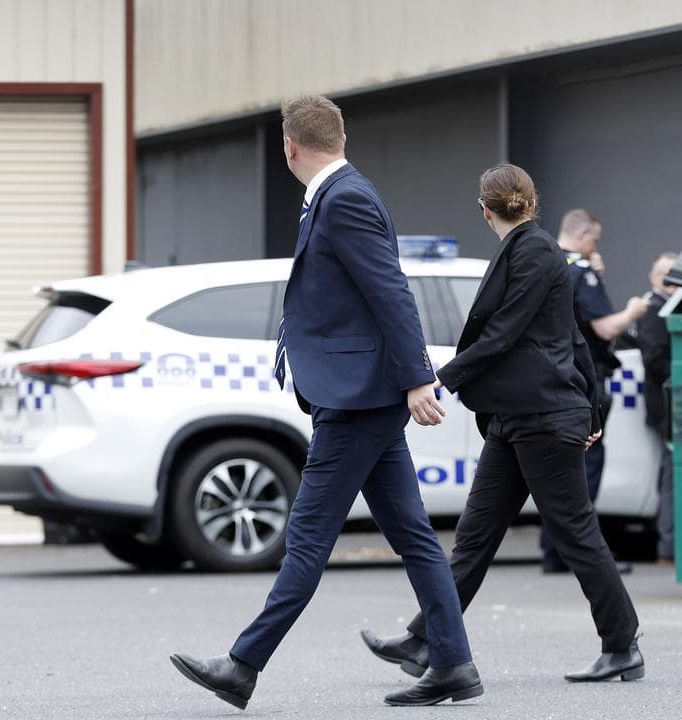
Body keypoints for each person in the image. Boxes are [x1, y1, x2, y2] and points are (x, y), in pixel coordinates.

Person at [169, 95, 482, 710]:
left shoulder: (347, 199)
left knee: (308, 536)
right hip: (361, 395)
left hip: (359, 401)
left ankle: (242, 665)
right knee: (416, 537)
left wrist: (418, 378)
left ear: (290, 147)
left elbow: (390, 290)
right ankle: (453, 664)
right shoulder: (340, 195)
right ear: (340, 137)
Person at [360, 164, 644, 684]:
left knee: (575, 534)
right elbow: (572, 338)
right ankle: (426, 638)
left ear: (483, 209)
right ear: (532, 201)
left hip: (543, 417)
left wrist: (431, 380)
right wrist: (593, 403)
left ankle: (622, 646)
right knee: (474, 535)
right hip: (520, 418)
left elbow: (506, 336)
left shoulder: (535, 252)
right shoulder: (526, 251)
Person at [542, 209, 648, 573]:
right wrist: (633, 312)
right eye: (595, 239)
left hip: (551, 378)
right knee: (586, 463)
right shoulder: (581, 271)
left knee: (557, 467)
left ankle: (555, 552)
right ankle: (582, 554)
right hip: (583, 380)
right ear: (583, 233)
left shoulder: (548, 262)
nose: (595, 247)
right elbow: (604, 329)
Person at [636, 253, 678, 563]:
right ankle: (668, 545)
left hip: (668, 403)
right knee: (671, 475)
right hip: (666, 405)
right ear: (654, 277)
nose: (669, 281)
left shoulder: (667, 306)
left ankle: (670, 543)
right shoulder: (654, 308)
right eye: (665, 274)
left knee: (672, 472)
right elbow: (655, 359)